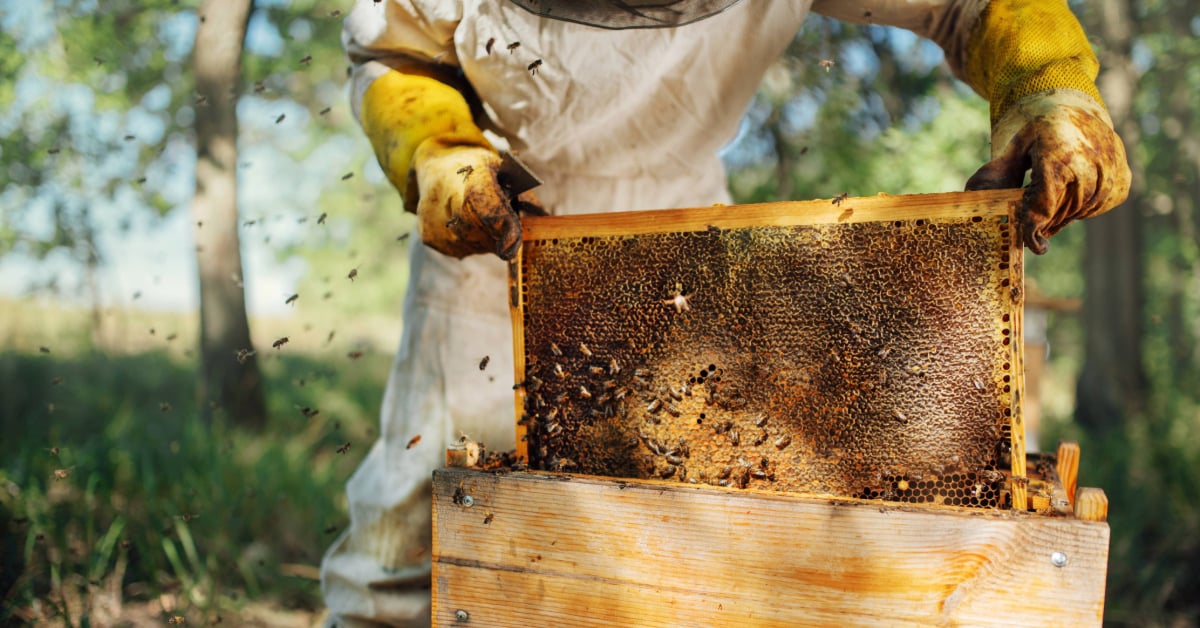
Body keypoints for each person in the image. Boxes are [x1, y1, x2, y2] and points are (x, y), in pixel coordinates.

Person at [321, 1, 1131, 625]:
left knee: (689, 529)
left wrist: (1049, 87)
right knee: (410, 532)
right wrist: (436, 150)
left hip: (690, 236)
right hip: (495, 224)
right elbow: (396, 48)